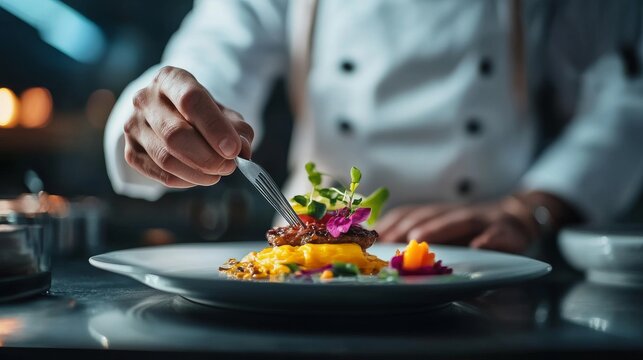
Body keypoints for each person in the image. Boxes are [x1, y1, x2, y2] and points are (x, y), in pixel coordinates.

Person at [104, 0, 643, 254]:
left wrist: (531, 208)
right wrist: (165, 117)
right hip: (305, 275)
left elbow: (624, 96)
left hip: (490, 259)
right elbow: (209, 57)